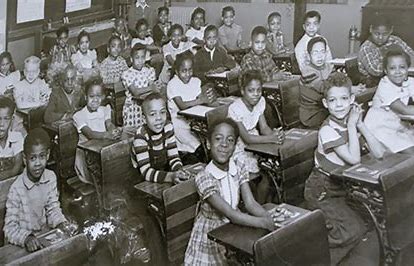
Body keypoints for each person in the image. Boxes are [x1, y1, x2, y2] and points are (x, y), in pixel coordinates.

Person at [304, 72, 385, 265]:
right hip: (321, 190)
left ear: (352, 99)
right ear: (325, 103)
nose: (339, 105)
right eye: (332, 100)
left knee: (369, 223)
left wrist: (361, 125)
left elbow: (379, 153)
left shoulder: (350, 122)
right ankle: (311, 255)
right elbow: (354, 160)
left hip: (342, 187)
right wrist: (351, 125)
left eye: (343, 99)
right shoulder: (327, 129)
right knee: (353, 230)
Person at [184, 118, 277, 265]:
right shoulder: (204, 177)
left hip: (233, 227)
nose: (224, 145)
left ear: (234, 147)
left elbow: (250, 203)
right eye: (218, 139)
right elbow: (231, 214)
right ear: (208, 144)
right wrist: (263, 223)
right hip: (211, 235)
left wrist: (269, 220)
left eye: (230, 140)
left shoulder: (238, 166)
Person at [4, 128, 71, 252]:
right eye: (32, 158)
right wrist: (26, 238)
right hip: (23, 245)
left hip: (44, 239)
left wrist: (61, 223)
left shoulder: (50, 177)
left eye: (41, 157)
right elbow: (9, 229)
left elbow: (53, 209)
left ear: (48, 155)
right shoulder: (17, 188)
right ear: (25, 159)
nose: (38, 163)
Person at [228, 70, 284, 203]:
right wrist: (271, 139)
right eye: (251, 90)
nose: (256, 95)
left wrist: (275, 135)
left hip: (257, 143)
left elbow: (264, 128)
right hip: (239, 148)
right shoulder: (235, 108)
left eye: (259, 90)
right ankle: (258, 205)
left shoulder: (260, 102)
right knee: (264, 174)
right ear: (242, 91)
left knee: (273, 170)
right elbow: (246, 138)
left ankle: (266, 203)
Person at [73, 78, 122, 184]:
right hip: (87, 157)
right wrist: (107, 135)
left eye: (98, 96)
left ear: (103, 97)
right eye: (91, 96)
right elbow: (90, 134)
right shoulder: (79, 115)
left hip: (102, 151)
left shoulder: (104, 110)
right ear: (86, 97)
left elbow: (109, 124)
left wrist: (113, 130)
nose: (95, 100)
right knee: (106, 174)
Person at [364, 50, 414, 153]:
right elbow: (404, 110)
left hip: (397, 125)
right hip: (379, 128)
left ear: (407, 68)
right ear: (386, 71)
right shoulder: (385, 85)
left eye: (402, 67)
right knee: (410, 152)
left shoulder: (410, 82)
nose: (398, 71)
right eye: (392, 68)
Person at [166, 52, 213, 162]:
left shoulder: (195, 81)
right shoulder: (173, 84)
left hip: (197, 120)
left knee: (210, 141)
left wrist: (211, 100)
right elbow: (182, 106)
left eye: (190, 70)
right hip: (180, 124)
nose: (187, 74)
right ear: (177, 71)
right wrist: (201, 100)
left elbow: (202, 101)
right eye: (184, 71)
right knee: (199, 147)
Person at [132, 92, 188, 183]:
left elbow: (173, 157)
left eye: (162, 112)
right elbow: (145, 172)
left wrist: (178, 170)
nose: (159, 118)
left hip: (162, 174)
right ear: (144, 119)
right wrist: (171, 177)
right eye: (153, 114)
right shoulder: (141, 137)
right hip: (142, 179)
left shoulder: (168, 127)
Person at [358, 16, 414, 87]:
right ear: (371, 29)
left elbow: (411, 55)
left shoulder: (395, 40)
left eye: (384, 34)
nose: (380, 37)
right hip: (374, 84)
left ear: (391, 31)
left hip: (396, 80)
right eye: (377, 34)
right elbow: (376, 71)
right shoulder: (367, 47)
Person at [299, 36, 333, 129]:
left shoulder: (328, 67)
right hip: (312, 114)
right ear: (309, 55)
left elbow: (337, 80)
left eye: (322, 52)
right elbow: (324, 87)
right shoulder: (307, 72)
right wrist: (349, 89)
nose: (319, 56)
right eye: (315, 52)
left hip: (325, 108)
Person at [121, 44, 156, 129]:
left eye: (142, 57)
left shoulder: (149, 71)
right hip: (133, 107)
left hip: (146, 104)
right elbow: (135, 92)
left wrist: (151, 88)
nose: (140, 61)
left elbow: (154, 88)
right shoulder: (127, 73)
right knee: (133, 131)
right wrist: (150, 88)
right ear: (131, 59)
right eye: (137, 58)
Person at [0, 96, 23, 180]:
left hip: (14, 185)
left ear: (12, 119)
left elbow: (16, 168)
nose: (1, 124)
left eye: (6, 119)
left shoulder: (16, 138)